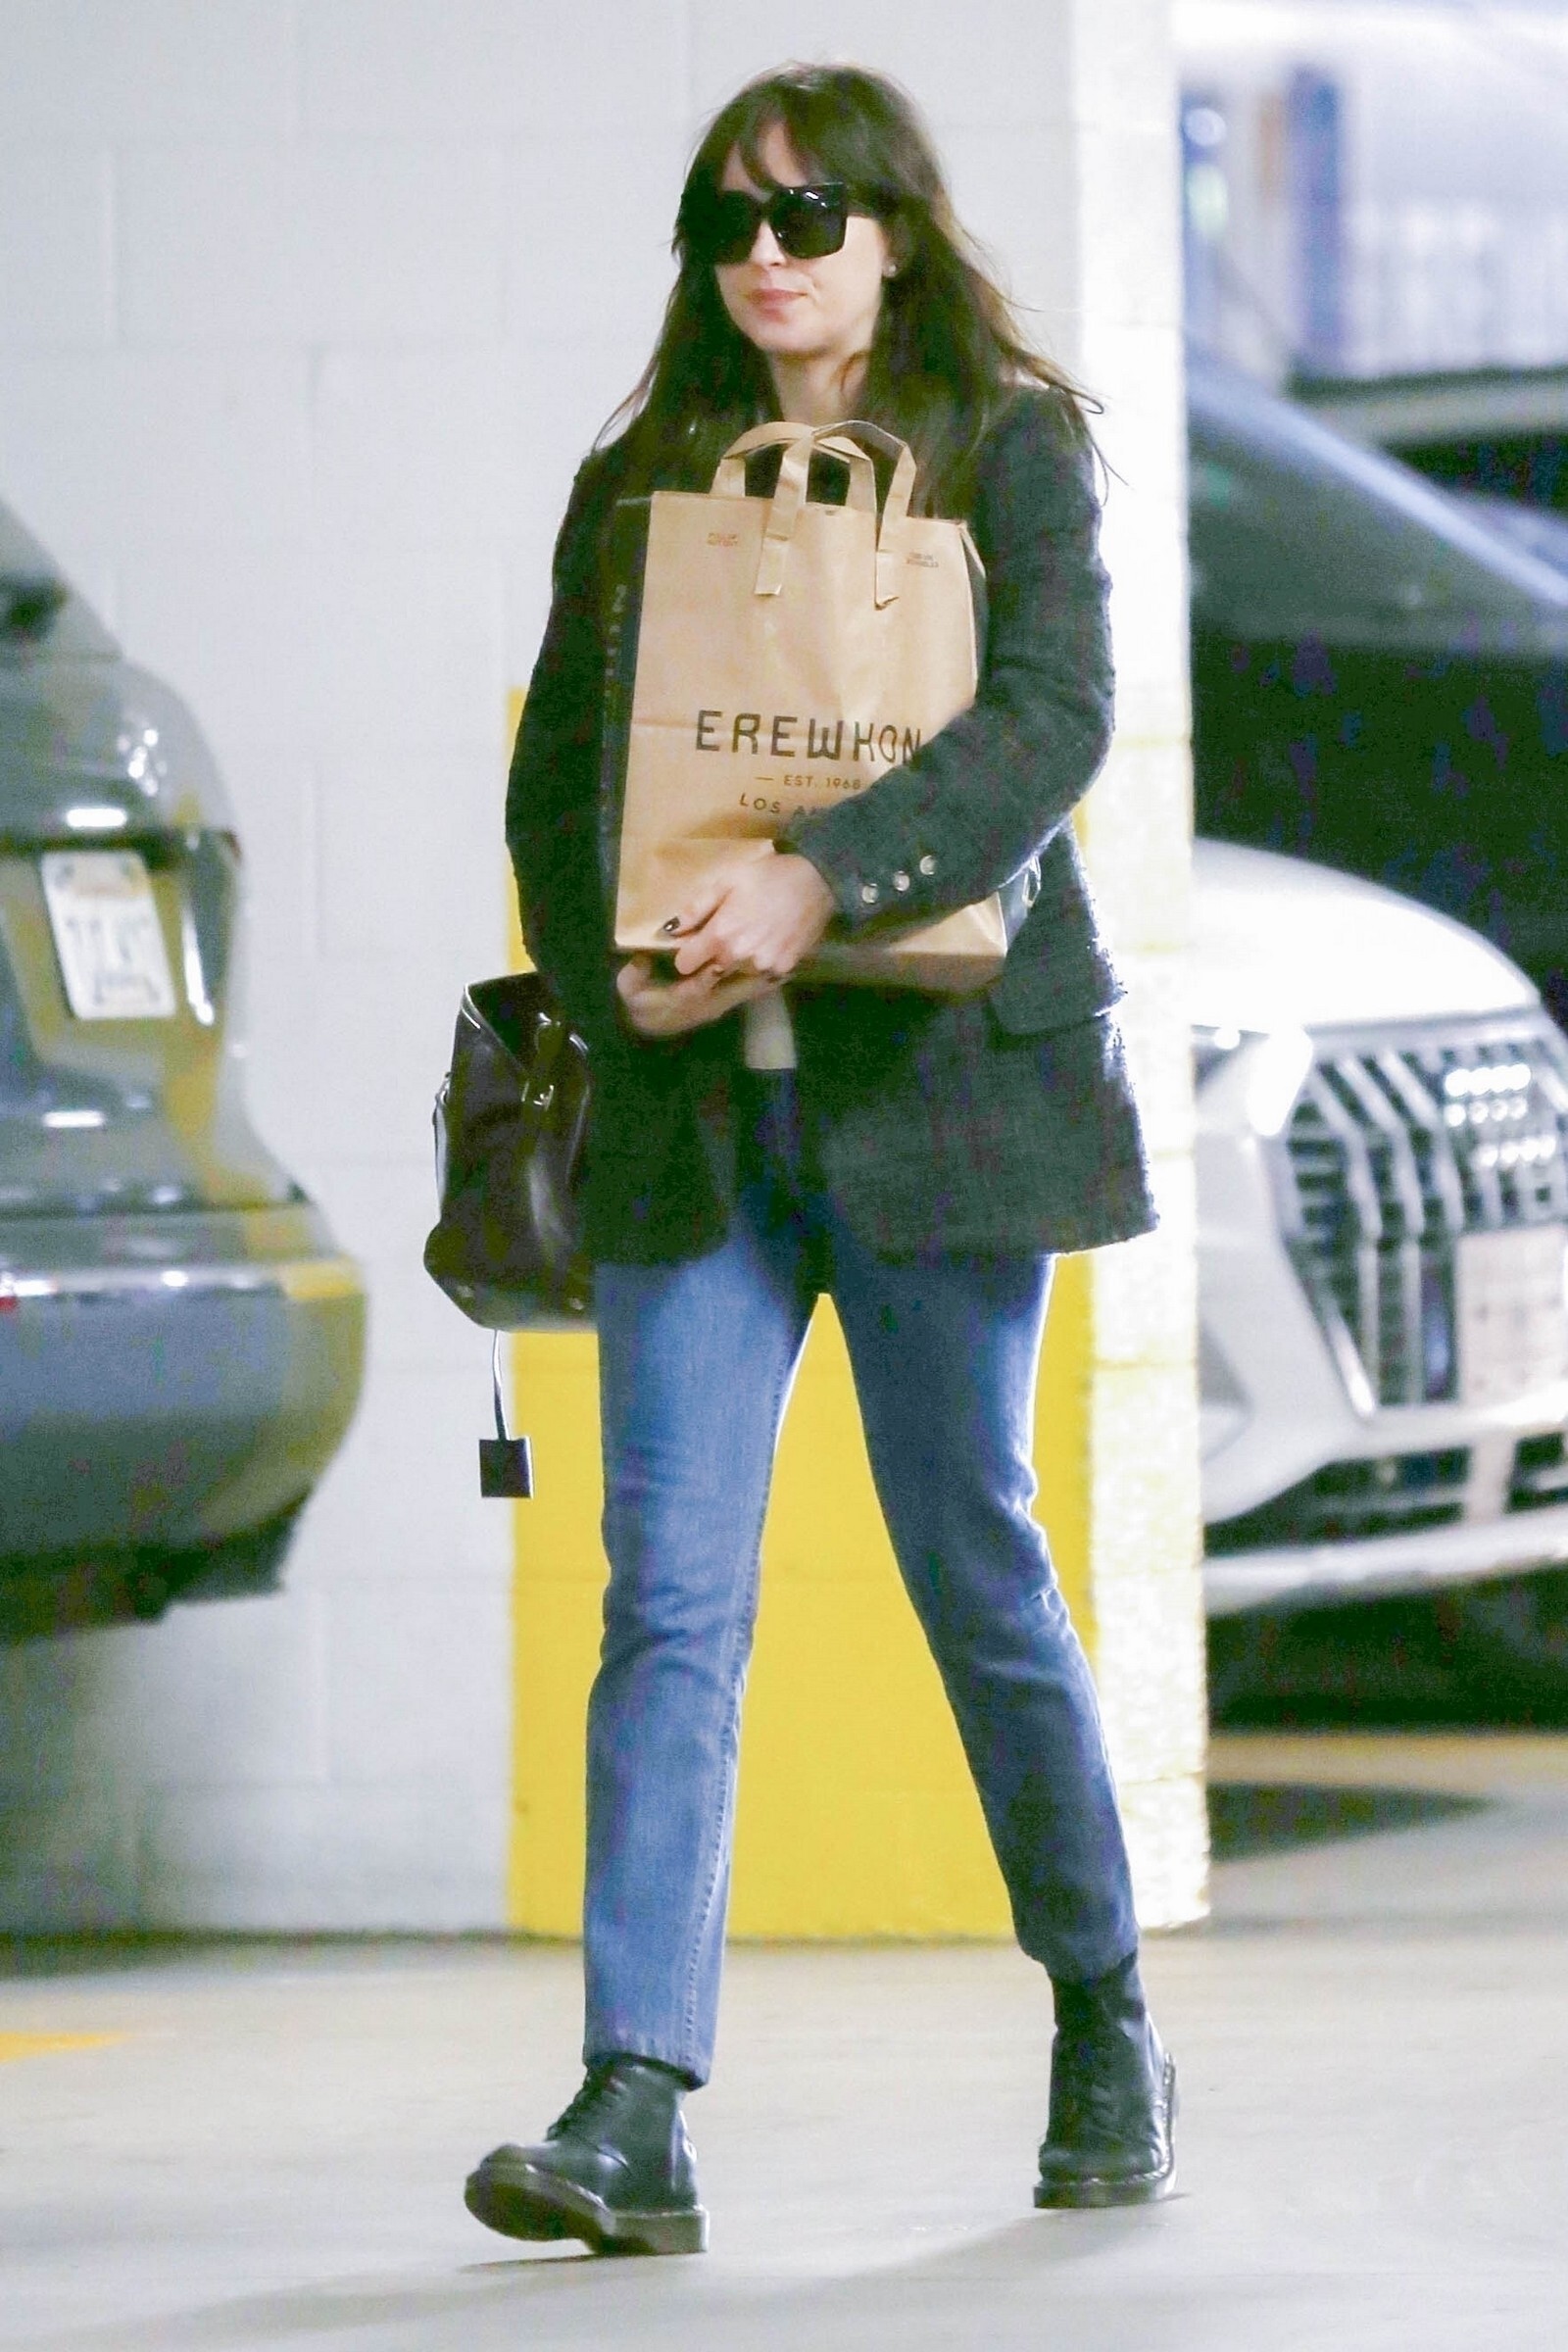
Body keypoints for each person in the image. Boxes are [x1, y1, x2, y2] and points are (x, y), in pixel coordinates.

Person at [466, 62, 1176, 2258]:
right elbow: (561, 772)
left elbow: (1051, 717)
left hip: (941, 1095)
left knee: (974, 1563)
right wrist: (616, 976)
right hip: (696, 1115)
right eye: (727, 224)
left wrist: (822, 878)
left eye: (803, 217)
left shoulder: (1005, 446)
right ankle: (634, 2103)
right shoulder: (639, 486)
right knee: (667, 1593)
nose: (761, 258)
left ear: (893, 234)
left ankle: (1103, 2013)